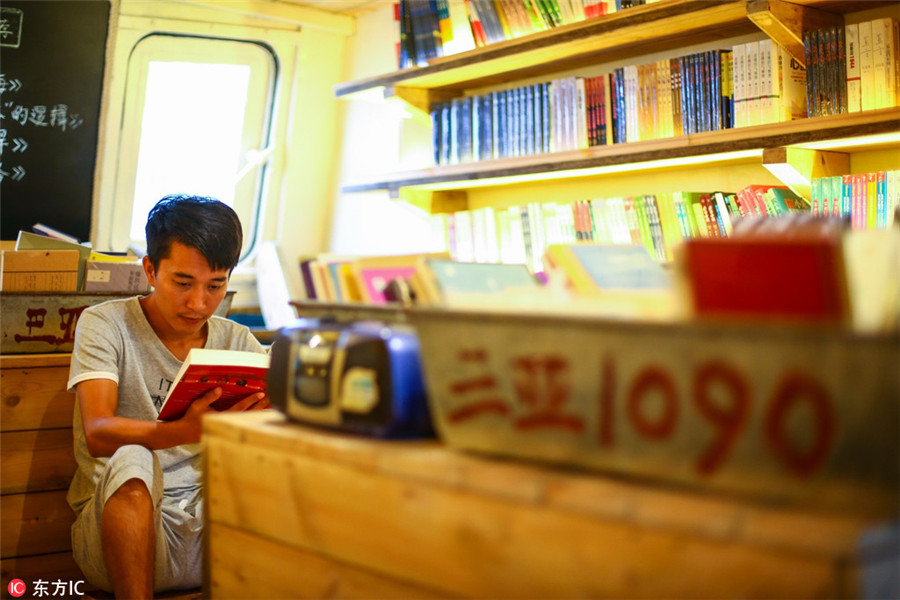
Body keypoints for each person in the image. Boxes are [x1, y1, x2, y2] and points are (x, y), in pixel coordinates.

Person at [66, 194, 269, 599]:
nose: (198, 303)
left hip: (213, 531)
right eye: (183, 283)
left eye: (216, 285)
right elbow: (98, 433)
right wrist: (187, 430)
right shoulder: (105, 323)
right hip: (120, 537)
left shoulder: (237, 340)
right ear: (150, 270)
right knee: (133, 457)